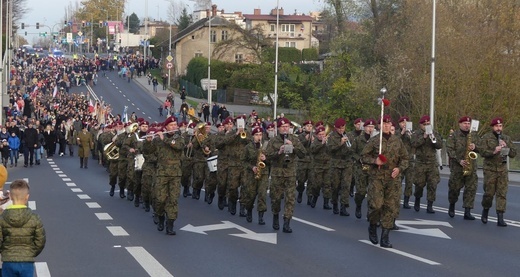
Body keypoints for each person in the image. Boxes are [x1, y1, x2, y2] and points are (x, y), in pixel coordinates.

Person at [361, 115, 409, 248]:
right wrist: (374, 161)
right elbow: (363, 156)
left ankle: (385, 237)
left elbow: (405, 158)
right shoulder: (375, 141)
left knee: (390, 207)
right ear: (379, 126)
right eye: (383, 124)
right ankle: (372, 225)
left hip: (392, 178)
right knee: (376, 205)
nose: (386, 126)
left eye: (388, 124)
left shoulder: (397, 141)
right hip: (377, 176)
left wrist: (399, 169)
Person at [265, 118, 306, 233]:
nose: (285, 128)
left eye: (287, 126)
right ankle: (275, 216)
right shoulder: (273, 141)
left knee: (290, 199)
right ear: (278, 128)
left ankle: (287, 222)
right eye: (283, 127)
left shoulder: (294, 139)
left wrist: (294, 146)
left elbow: (303, 154)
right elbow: (267, 157)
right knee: (276, 198)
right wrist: (278, 152)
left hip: (290, 173)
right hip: (277, 173)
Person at [0, 179, 46, 276]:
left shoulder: (2, 218)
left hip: (8, 261)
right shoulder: (34, 218)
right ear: (27, 197)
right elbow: (40, 241)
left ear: (11, 197)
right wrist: (31, 252)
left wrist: (4, 252)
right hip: (27, 261)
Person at [479, 117, 517, 226]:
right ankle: (485, 210)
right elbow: (482, 152)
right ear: (492, 127)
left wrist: (507, 147)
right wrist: (494, 151)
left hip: (502, 170)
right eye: (496, 126)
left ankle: (500, 217)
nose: (498, 128)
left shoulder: (506, 138)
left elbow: (514, 154)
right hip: (490, 170)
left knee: (502, 194)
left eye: (500, 126)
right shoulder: (486, 138)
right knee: (489, 194)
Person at [153, 116, 185, 235]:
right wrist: (149, 141)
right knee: (160, 199)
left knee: (173, 199)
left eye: (175, 125)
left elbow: (178, 146)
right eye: (171, 125)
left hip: (175, 174)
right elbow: (148, 151)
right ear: (166, 127)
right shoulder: (158, 140)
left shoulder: (179, 138)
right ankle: (160, 217)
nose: (174, 127)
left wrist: (164, 139)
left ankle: (170, 224)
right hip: (162, 173)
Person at [446, 116, 480, 220]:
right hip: (457, 167)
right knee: (454, 189)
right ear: (460, 124)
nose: (467, 125)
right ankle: (452, 205)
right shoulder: (454, 135)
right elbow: (450, 150)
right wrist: (459, 160)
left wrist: (475, 147)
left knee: (471, 189)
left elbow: (482, 148)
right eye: (465, 123)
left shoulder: (474, 135)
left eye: (468, 124)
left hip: (471, 167)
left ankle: (467, 211)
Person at [411, 115, 443, 213]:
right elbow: (413, 144)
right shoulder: (416, 134)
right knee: (419, 185)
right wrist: (424, 137)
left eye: (428, 124)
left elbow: (439, 145)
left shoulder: (435, 133)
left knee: (432, 184)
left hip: (432, 163)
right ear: (420, 125)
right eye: (424, 124)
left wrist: (433, 138)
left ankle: (430, 205)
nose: (426, 126)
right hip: (420, 162)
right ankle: (417, 200)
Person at [327, 118, 355, 216]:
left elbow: (353, 148)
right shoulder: (331, 136)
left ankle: (344, 206)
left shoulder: (350, 135)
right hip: (335, 164)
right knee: (335, 186)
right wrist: (340, 143)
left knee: (346, 186)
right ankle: (335, 203)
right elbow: (330, 149)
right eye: (339, 128)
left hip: (347, 164)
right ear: (335, 128)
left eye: (343, 128)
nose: (341, 130)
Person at [240, 127, 269, 224]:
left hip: (263, 173)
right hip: (251, 174)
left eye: (260, 135)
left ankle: (261, 217)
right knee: (250, 195)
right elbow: (243, 161)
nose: (258, 137)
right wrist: (252, 167)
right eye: (256, 135)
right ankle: (249, 211)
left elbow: (273, 160)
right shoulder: (248, 147)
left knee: (262, 194)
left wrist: (266, 159)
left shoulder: (266, 146)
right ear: (253, 136)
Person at [351, 119, 376, 219]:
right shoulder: (358, 139)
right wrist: (359, 159)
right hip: (360, 168)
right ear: (364, 128)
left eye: (372, 127)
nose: (370, 129)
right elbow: (352, 152)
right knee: (361, 192)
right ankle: (358, 205)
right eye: (369, 127)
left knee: (373, 192)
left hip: (372, 168)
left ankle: (370, 212)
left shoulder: (377, 140)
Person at [395, 116, 415, 209]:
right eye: (402, 122)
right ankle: (396, 199)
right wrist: (402, 133)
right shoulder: (396, 132)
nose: (404, 124)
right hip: (399, 161)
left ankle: (407, 200)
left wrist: (410, 135)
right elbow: (394, 142)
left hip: (409, 160)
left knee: (409, 181)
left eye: (406, 122)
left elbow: (416, 143)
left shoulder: (412, 133)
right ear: (399, 124)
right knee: (398, 181)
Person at [296, 120, 314, 205]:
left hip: (311, 161)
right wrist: (306, 140)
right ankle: (300, 192)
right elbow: (298, 147)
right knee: (301, 180)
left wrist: (315, 142)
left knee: (311, 180)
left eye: (311, 126)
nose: (309, 127)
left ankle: (309, 197)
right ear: (304, 127)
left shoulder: (315, 136)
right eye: (307, 126)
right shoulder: (300, 136)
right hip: (302, 161)